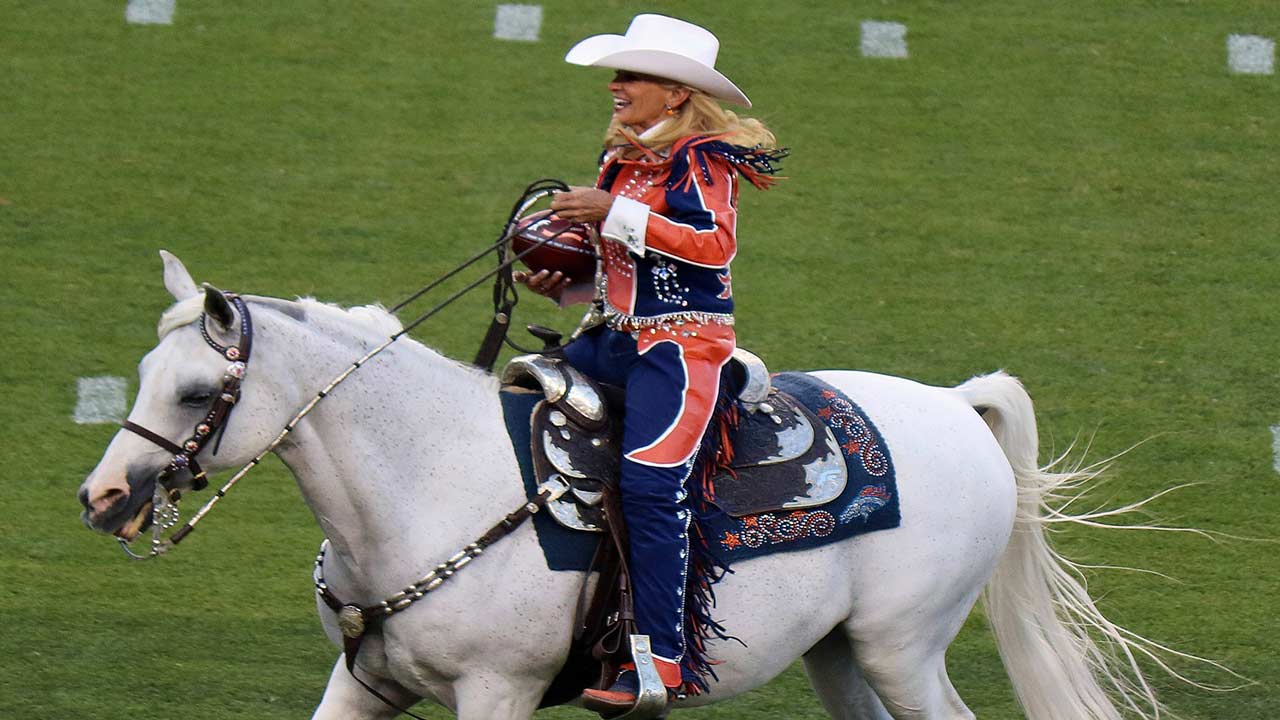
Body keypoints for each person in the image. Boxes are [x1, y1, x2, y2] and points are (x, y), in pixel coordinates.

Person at [513, 13, 784, 712]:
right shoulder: (624, 159)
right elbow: (620, 274)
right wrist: (563, 282)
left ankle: (659, 665)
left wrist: (610, 212)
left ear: (674, 93)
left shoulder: (705, 158)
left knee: (651, 484)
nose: (615, 85)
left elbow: (710, 245)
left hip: (680, 351)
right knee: (515, 419)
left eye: (631, 75)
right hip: (609, 339)